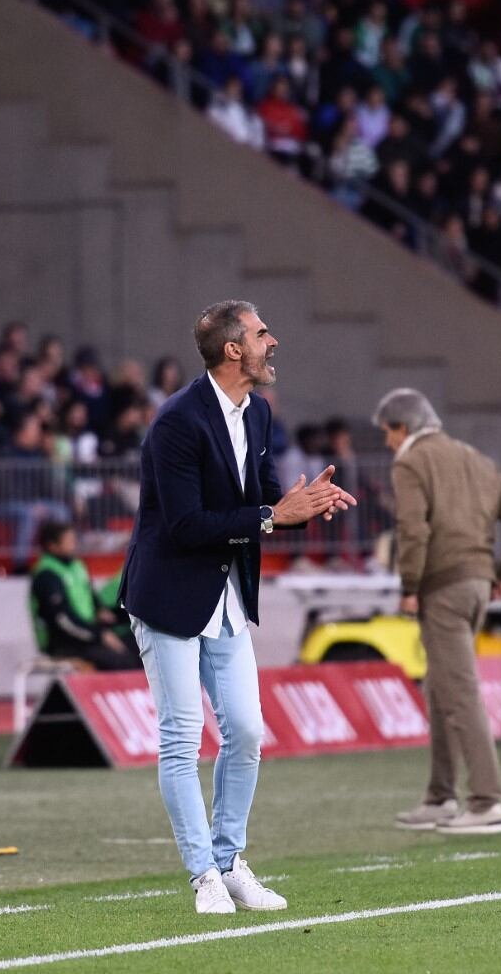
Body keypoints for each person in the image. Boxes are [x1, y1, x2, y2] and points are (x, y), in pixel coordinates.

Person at [119, 300, 355, 915]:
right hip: (168, 595)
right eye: (260, 333)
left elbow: (268, 507)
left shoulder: (259, 413)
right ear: (233, 351)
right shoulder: (176, 423)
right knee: (181, 738)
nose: (272, 342)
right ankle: (203, 875)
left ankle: (230, 862)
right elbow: (185, 525)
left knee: (246, 731)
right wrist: (271, 517)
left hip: (225, 595)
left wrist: (307, 506)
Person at [378, 388, 501, 836]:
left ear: (403, 428)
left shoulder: (411, 462)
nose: (388, 443)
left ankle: (487, 802)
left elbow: (412, 529)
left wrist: (409, 586)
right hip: (477, 585)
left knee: (460, 692)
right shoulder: (476, 459)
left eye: (387, 433)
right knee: (442, 688)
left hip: (442, 587)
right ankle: (440, 795)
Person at [29, 520, 139, 671]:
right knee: (122, 660)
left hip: (87, 634)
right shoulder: (47, 575)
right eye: (69, 541)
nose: (74, 544)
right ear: (52, 546)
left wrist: (100, 610)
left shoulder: (76, 566)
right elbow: (63, 621)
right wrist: (99, 635)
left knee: (138, 647)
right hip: (63, 642)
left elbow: (90, 595)